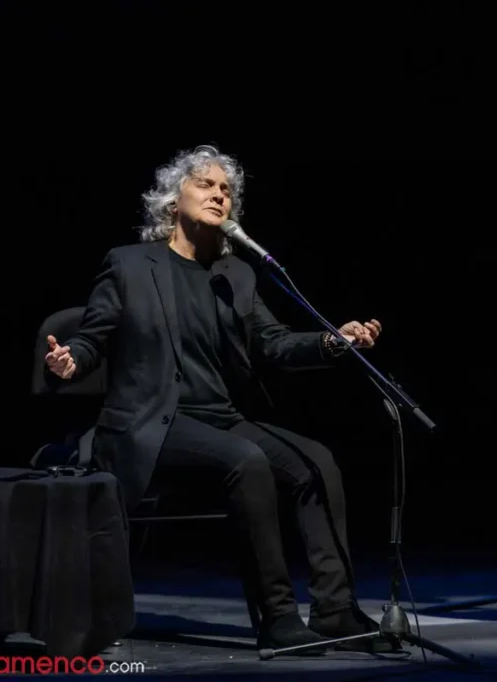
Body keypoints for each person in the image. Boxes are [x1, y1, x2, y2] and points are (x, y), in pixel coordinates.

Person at [43, 144, 391, 654]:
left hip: (219, 420)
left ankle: (335, 609)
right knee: (247, 462)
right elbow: (94, 338)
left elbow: (271, 344)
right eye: (205, 185)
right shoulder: (130, 265)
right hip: (148, 426)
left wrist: (330, 340)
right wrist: (70, 359)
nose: (219, 195)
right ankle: (276, 615)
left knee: (316, 463)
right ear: (171, 200)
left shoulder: (236, 276)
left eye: (226, 190)